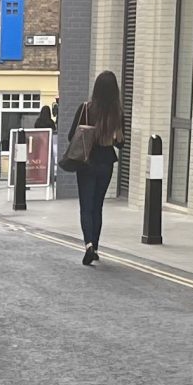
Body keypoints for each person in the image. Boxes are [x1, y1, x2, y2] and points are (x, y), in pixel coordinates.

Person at [66, 69, 124, 265]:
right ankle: (96, 248)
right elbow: (121, 143)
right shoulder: (117, 113)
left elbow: (70, 135)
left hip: (87, 162)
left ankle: (88, 245)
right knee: (97, 206)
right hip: (106, 163)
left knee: (86, 206)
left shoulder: (86, 108)